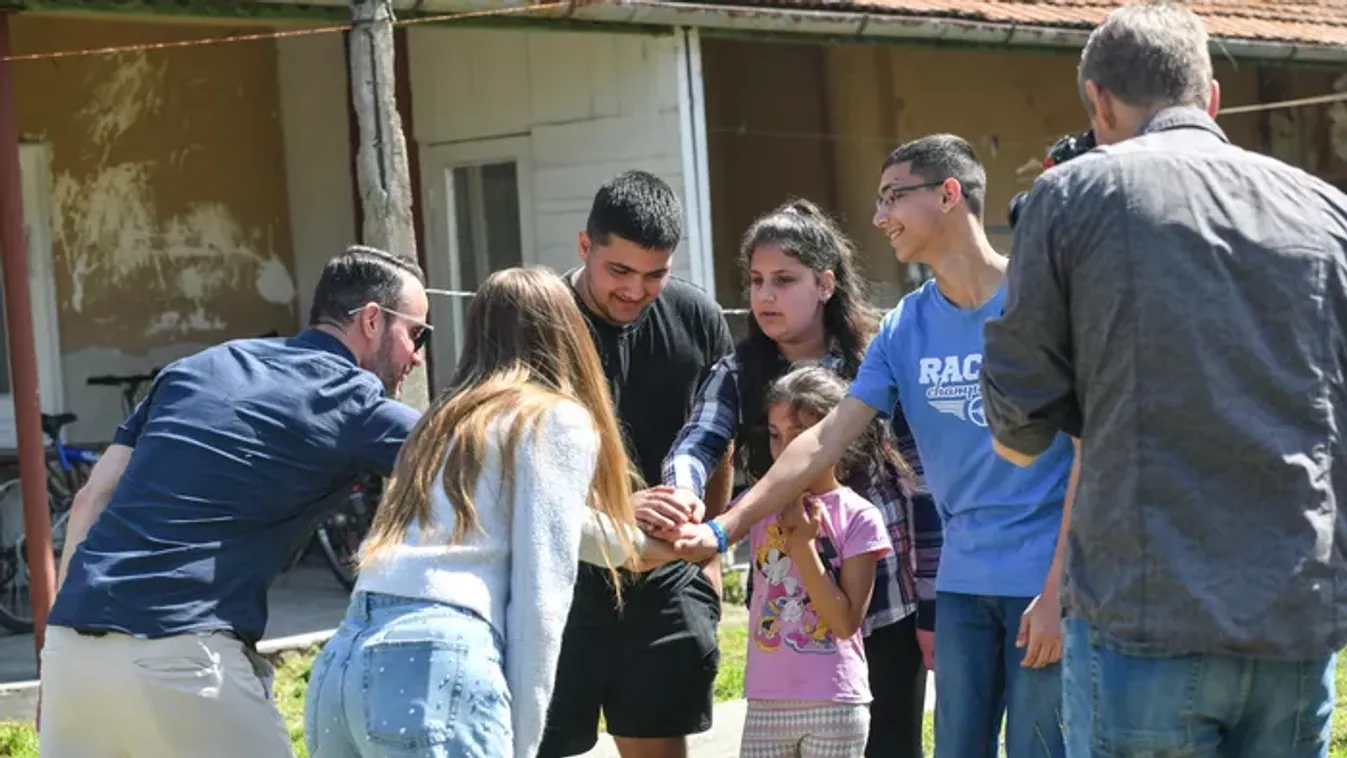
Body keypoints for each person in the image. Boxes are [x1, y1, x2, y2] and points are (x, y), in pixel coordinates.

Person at [981, 2, 1347, 756]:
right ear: (1209, 98)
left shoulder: (1071, 192)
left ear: (1098, 102)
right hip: (1294, 612)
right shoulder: (1327, 209)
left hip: (1143, 613)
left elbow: (1017, 413)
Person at [675, 136, 1082, 758]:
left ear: (949, 195)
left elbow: (1091, 451)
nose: (878, 216)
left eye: (893, 196)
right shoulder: (904, 329)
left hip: (1044, 584)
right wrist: (724, 530)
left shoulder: (1044, 303)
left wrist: (1058, 591)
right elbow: (823, 441)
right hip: (963, 587)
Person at [39, 245, 429, 758]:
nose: (417, 356)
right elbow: (471, 454)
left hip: (73, 653)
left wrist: (54, 669)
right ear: (373, 321)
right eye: (416, 334)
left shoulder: (194, 368)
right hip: (184, 659)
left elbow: (91, 498)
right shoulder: (352, 397)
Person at [305, 266, 653, 758]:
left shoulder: (439, 425)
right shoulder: (553, 418)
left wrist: (646, 541)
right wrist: (524, 741)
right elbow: (542, 593)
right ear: (568, 333)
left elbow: (555, 524)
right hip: (435, 659)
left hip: (344, 659)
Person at [660, 198, 940, 757]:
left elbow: (923, 487)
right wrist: (682, 494)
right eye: (757, 280)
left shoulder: (876, 362)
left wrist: (931, 606)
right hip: (788, 620)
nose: (765, 295)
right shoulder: (738, 371)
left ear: (826, 283)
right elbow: (698, 441)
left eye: (784, 280)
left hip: (883, 607)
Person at [539, 170, 737, 758]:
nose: (634, 290)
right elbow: (516, 462)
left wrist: (711, 551)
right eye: (618, 271)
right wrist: (615, 511)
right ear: (584, 246)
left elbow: (717, 438)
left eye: (655, 274)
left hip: (664, 577)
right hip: (562, 580)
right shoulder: (539, 322)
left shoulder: (697, 316)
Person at [738, 365, 893, 758]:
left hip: (835, 703)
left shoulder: (860, 517)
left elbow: (844, 623)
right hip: (765, 702)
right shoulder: (756, 505)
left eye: (801, 436)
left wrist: (803, 543)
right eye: (776, 436)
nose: (786, 450)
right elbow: (705, 540)